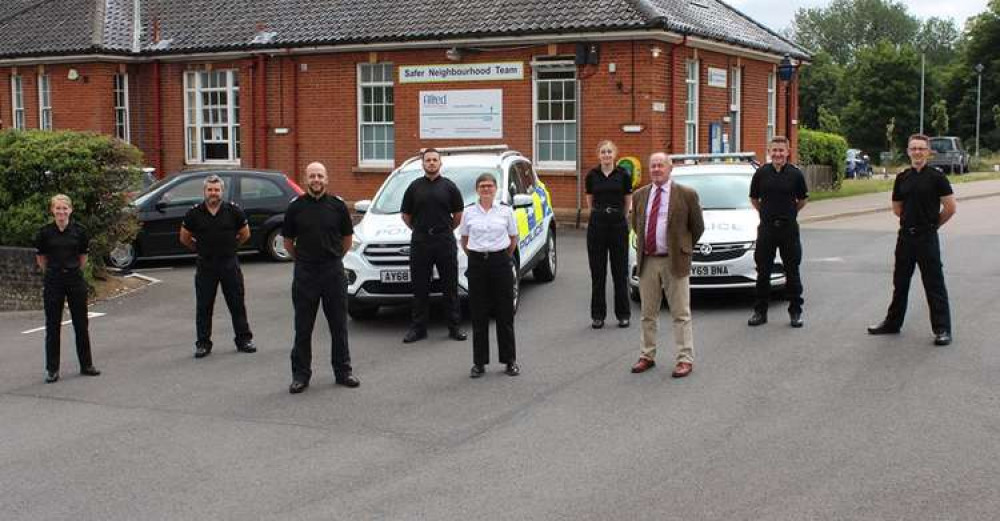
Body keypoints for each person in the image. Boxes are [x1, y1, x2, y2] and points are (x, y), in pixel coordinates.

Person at [868, 134, 957, 346]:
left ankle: (942, 329)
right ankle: (892, 323)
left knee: (934, 284)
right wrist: (911, 222)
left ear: (928, 152)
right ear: (908, 152)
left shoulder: (937, 177)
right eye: (913, 149)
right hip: (906, 237)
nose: (917, 152)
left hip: (927, 238)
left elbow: (950, 207)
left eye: (921, 149)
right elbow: (897, 208)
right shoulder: (902, 177)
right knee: (900, 283)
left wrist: (932, 225)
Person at [282, 162, 360, 394]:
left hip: (332, 272)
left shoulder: (337, 206)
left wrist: (333, 257)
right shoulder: (295, 207)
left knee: (338, 326)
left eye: (320, 176)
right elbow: (288, 242)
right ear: (306, 180)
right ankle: (300, 376)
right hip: (306, 273)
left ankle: (343, 372)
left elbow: (347, 239)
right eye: (312, 176)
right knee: (303, 327)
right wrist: (304, 260)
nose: (316, 179)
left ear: (326, 179)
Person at [628, 153, 704, 378]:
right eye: (653, 166)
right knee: (647, 313)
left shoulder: (686, 194)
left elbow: (697, 227)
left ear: (670, 168)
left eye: (661, 165)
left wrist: (683, 247)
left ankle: (684, 359)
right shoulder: (640, 195)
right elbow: (636, 224)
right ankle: (647, 355)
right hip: (648, 261)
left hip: (675, 261)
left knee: (680, 313)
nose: (657, 169)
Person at [179, 175, 255, 358]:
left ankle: (244, 340)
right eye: (210, 190)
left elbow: (245, 234)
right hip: (206, 264)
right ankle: (203, 343)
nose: (213, 193)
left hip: (229, 263)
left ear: (222, 191)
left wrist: (232, 246)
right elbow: (184, 238)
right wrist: (199, 249)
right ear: (204, 191)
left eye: (216, 190)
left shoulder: (233, 211)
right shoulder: (194, 213)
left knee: (237, 303)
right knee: (204, 306)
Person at [400, 148, 467, 343]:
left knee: (450, 286)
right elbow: (406, 216)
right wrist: (421, 229)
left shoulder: (450, 187)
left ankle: (454, 327)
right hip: (421, 242)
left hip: (444, 240)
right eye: (427, 160)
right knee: (420, 287)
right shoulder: (414, 187)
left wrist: (442, 229)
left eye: (434, 160)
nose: (431, 163)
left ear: (440, 163)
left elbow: (458, 215)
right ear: (422, 164)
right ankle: (418, 328)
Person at [459, 173, 520, 378]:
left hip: (500, 262)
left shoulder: (505, 211)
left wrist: (500, 256)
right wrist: (478, 255)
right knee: (479, 314)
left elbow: (513, 238)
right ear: (477, 190)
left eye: (489, 186)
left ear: (495, 189)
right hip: (477, 264)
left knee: (505, 314)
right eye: (482, 186)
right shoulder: (468, 213)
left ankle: (509, 361)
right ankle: (479, 363)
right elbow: (464, 240)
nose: (486, 189)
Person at [34, 194, 100, 383]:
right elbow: (41, 259)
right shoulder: (44, 233)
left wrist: (72, 271)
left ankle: (86, 365)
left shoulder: (80, 231)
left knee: (81, 323)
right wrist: (54, 272)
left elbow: (83, 257)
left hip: (74, 279)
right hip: (54, 280)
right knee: (53, 325)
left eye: (65, 208)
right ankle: (52, 369)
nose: (61, 212)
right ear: (52, 210)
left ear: (70, 210)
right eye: (58, 208)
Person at [748, 136, 808, 328]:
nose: (777, 154)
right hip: (766, 229)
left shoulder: (796, 174)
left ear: (788, 152)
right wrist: (766, 214)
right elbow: (754, 198)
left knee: (792, 271)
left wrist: (788, 213)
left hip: (788, 229)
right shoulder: (761, 173)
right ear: (768, 151)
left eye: (781, 150)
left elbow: (802, 199)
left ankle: (795, 312)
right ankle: (760, 312)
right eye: (774, 150)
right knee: (763, 271)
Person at [585, 140, 632, 329]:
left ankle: (623, 315)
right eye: (603, 152)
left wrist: (621, 215)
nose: (606, 155)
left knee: (620, 272)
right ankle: (598, 316)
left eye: (609, 152)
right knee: (598, 272)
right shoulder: (592, 176)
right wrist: (598, 214)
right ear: (598, 155)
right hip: (597, 225)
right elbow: (590, 200)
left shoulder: (623, 175)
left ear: (615, 154)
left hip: (618, 224)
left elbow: (628, 200)